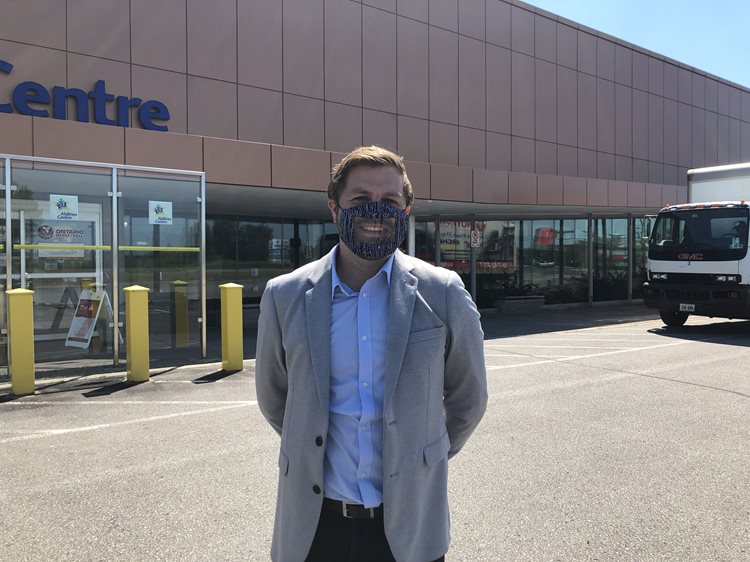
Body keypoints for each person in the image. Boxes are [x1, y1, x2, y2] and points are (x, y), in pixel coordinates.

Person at [255, 146, 488, 562]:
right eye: (360, 200)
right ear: (333, 207)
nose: (376, 212)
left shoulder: (444, 293)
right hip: (313, 528)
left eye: (390, 202)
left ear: (407, 209)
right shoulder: (285, 296)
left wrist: (424, 454)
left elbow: (469, 398)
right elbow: (275, 399)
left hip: (409, 528)